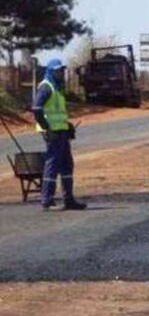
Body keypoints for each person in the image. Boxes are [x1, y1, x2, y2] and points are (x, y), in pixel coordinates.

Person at [32, 59, 87, 211]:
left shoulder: (57, 88)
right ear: (50, 71)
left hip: (61, 132)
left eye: (61, 70)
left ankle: (68, 199)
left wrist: (67, 125)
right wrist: (46, 128)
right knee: (52, 164)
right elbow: (36, 108)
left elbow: (58, 113)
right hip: (53, 133)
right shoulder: (46, 87)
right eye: (57, 71)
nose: (60, 73)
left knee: (67, 165)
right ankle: (47, 198)